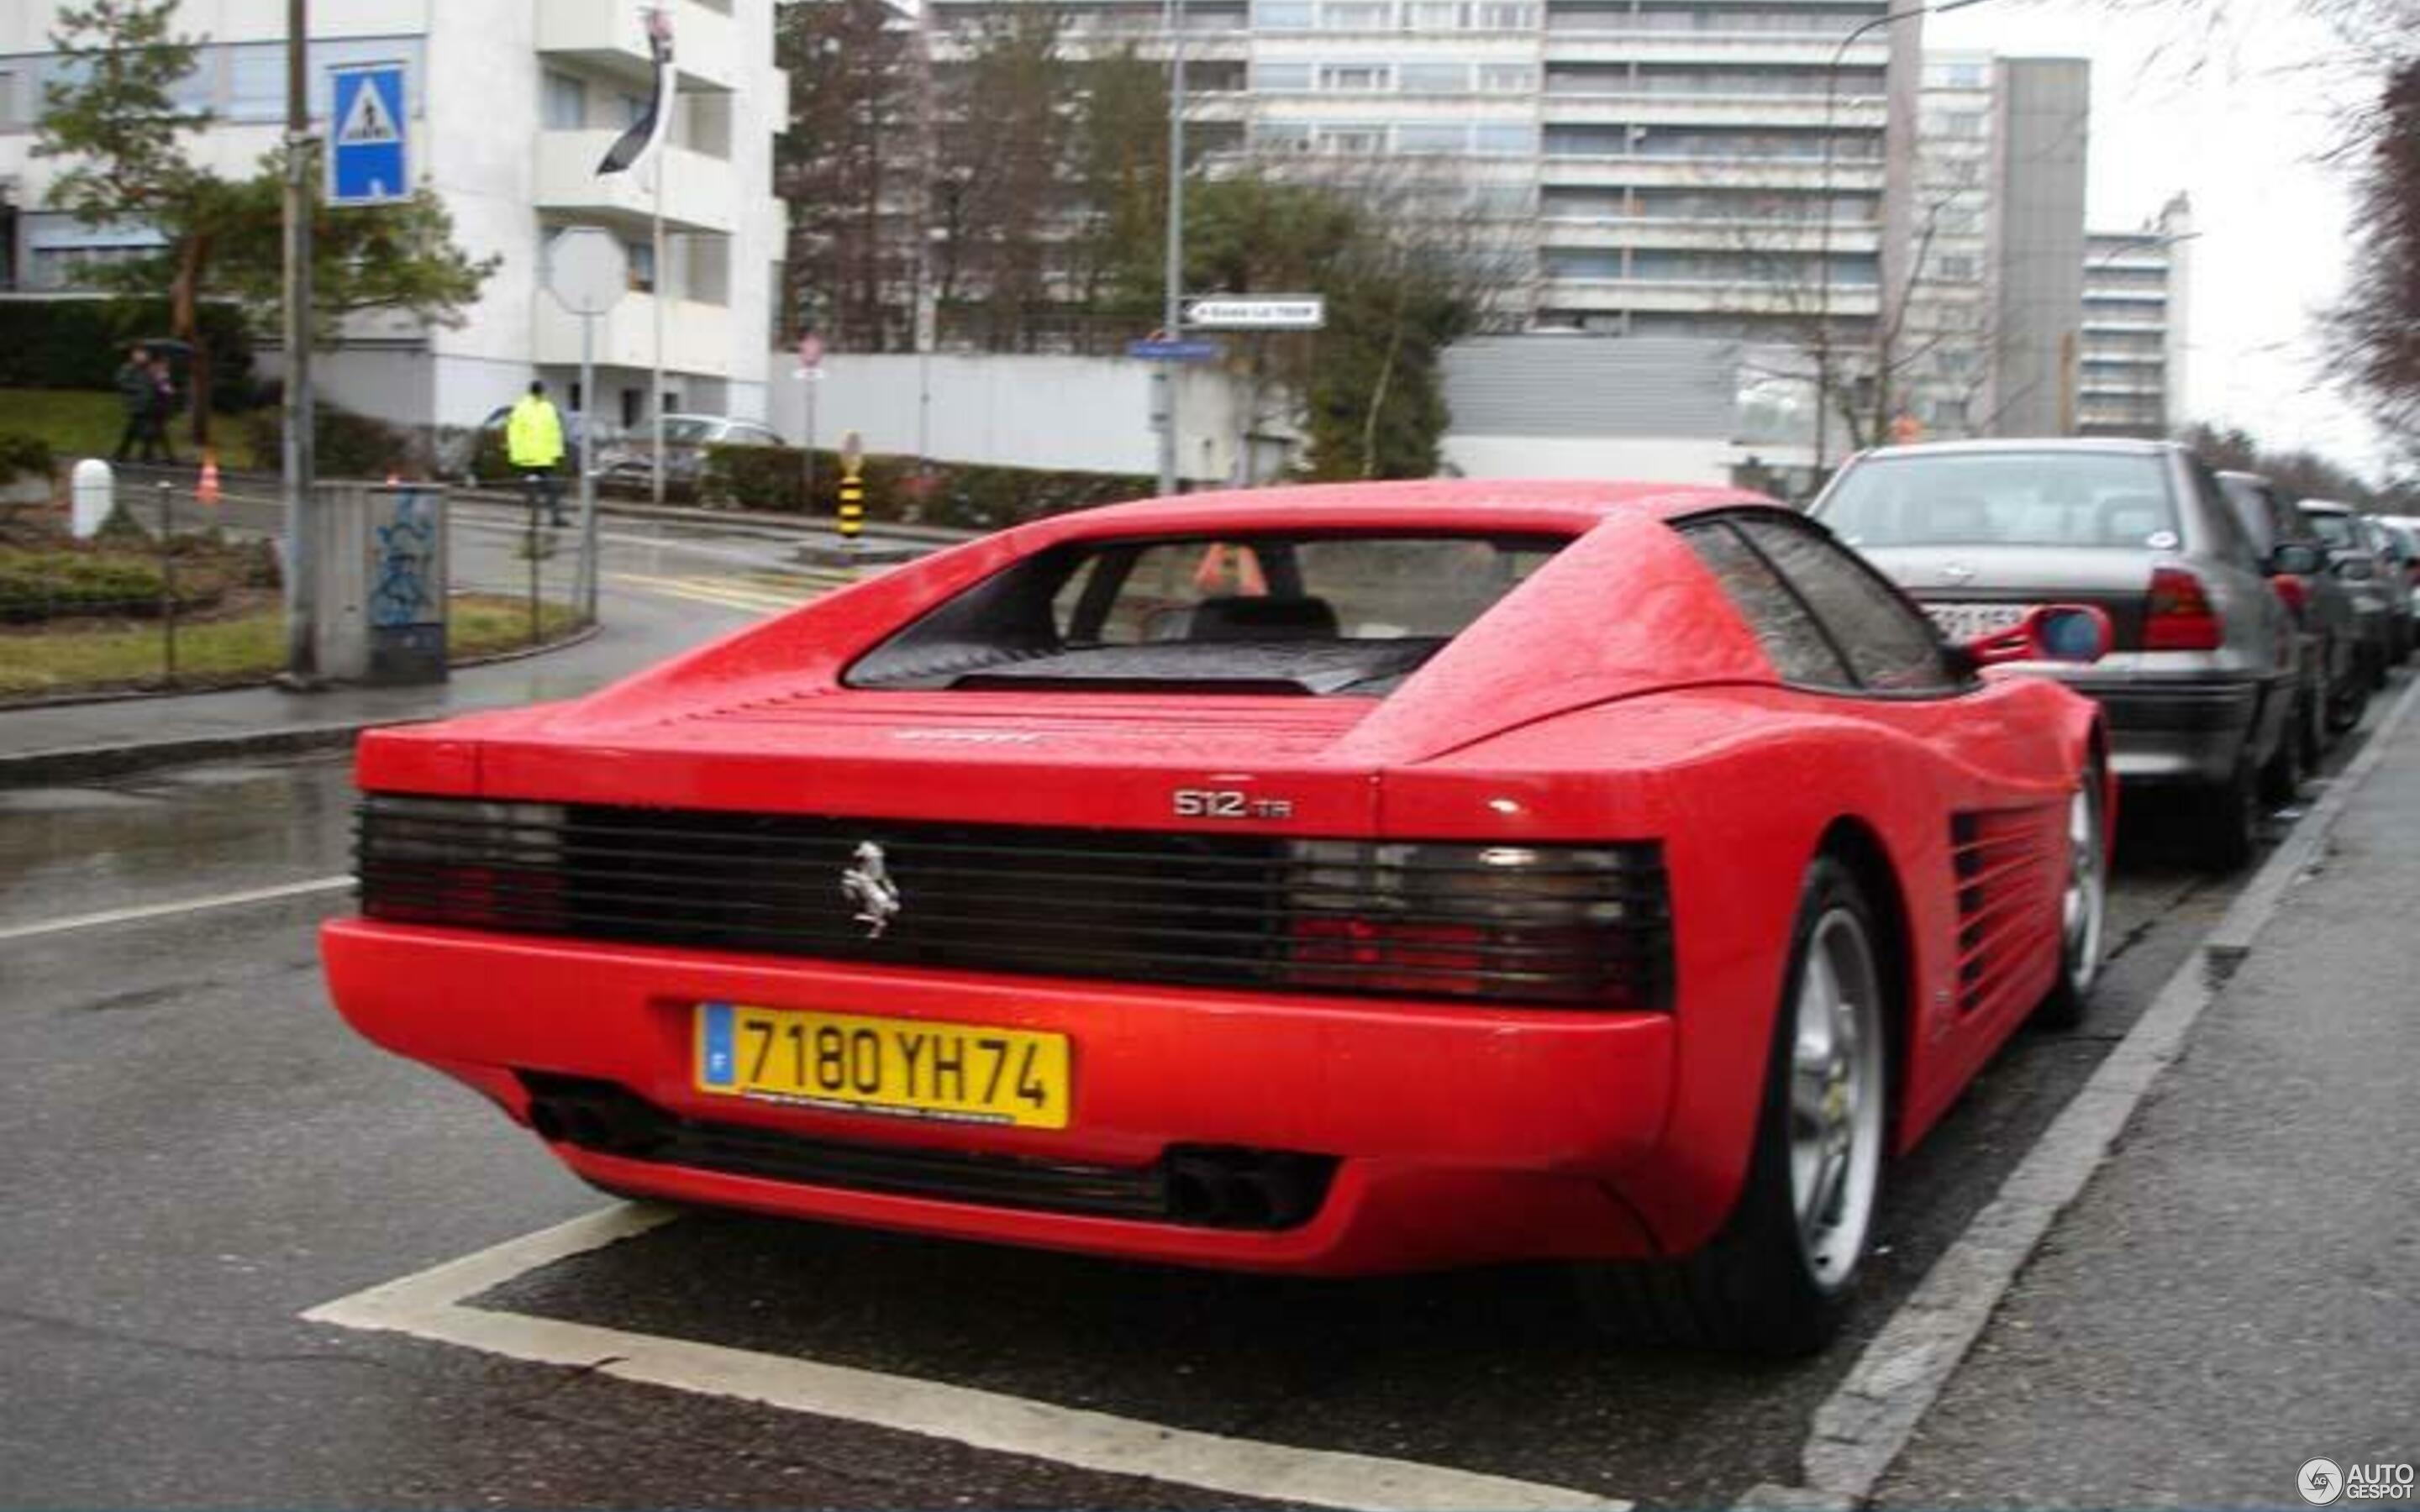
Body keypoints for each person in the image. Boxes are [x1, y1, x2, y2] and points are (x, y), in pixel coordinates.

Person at [507, 380, 568, 527]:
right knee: (548, 489)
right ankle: (548, 517)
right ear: (541, 391)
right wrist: (557, 453)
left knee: (537, 488)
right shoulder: (544, 408)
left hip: (533, 458)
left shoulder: (522, 408)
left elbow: (514, 433)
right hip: (539, 458)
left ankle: (543, 517)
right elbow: (555, 432)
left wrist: (517, 456)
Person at [113, 346, 155, 464]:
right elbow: (121, 382)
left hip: (147, 404)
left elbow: (152, 385)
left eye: (145, 354)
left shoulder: (148, 370)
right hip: (135, 404)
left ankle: (122, 454)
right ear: (134, 355)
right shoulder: (129, 368)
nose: (143, 357)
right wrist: (137, 390)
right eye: (140, 354)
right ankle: (145, 455)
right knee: (144, 430)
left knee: (132, 431)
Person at [145, 354, 179, 466]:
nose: (166, 365)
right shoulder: (156, 374)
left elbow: (166, 389)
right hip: (156, 406)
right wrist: (167, 389)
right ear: (159, 363)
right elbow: (161, 389)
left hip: (160, 407)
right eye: (165, 363)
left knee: (157, 432)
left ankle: (149, 455)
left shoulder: (162, 374)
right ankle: (169, 457)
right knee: (158, 432)